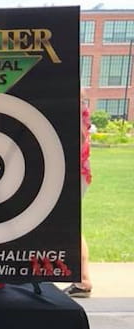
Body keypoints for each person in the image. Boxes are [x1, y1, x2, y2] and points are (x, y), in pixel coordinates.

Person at [65, 96, 93, 297]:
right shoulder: (80, 102)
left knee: (73, 226)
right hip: (79, 172)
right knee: (73, 225)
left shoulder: (73, 101)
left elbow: (80, 137)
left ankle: (83, 280)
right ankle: (82, 279)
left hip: (73, 173)